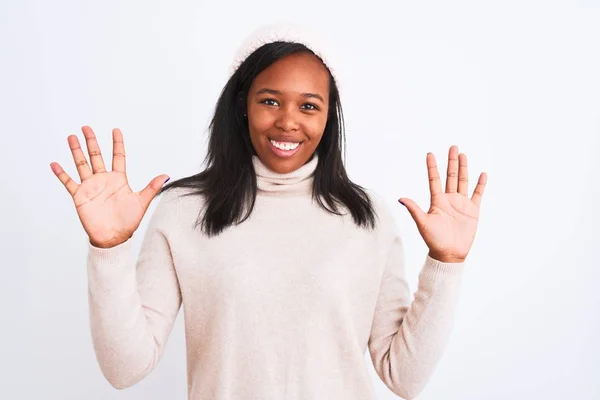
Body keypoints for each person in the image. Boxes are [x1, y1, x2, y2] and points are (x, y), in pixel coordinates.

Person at [50, 24, 487, 400]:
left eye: (309, 105)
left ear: (329, 117)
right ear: (243, 105)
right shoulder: (184, 211)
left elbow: (403, 376)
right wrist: (108, 249)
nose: (288, 122)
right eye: (270, 101)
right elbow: (124, 368)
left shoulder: (367, 217)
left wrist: (446, 265)